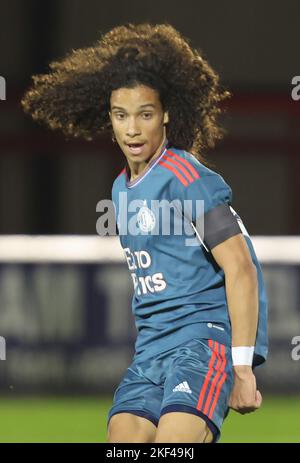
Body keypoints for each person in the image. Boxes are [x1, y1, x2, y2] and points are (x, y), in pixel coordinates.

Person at [22, 23, 268, 443]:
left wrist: (241, 365)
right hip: (150, 352)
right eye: (121, 115)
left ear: (167, 114)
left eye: (145, 114)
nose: (132, 129)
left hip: (201, 344)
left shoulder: (187, 176)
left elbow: (241, 267)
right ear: (110, 118)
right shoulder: (121, 189)